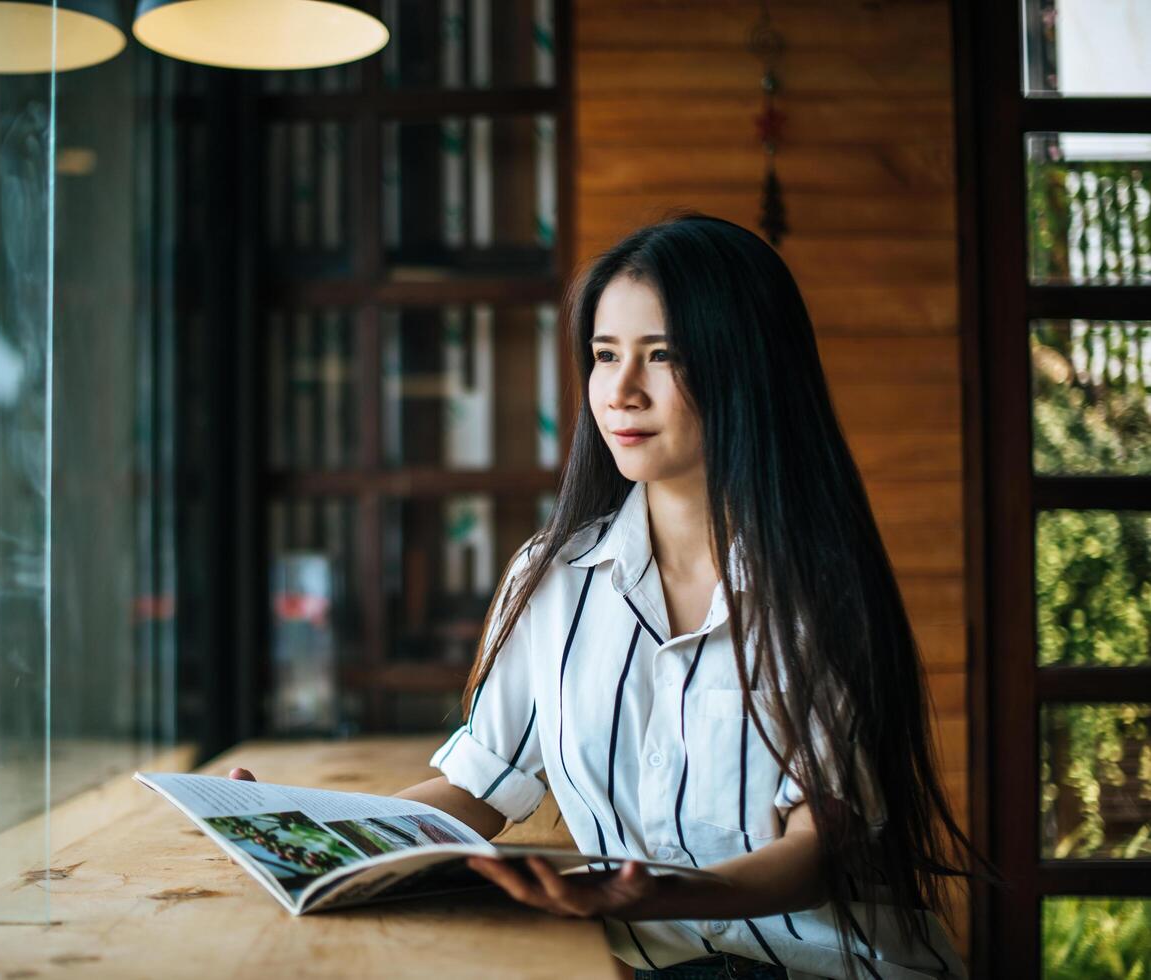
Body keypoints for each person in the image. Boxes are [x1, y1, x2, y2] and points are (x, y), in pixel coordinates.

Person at [229, 212, 984, 979]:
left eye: (663, 357)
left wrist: (659, 894)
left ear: (747, 371)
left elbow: (812, 850)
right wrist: (314, 838)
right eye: (603, 355)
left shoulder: (818, 590)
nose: (620, 391)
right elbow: (478, 789)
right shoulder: (549, 576)